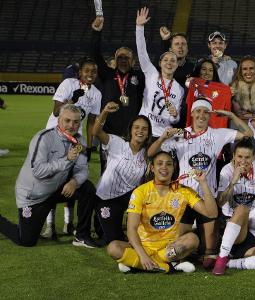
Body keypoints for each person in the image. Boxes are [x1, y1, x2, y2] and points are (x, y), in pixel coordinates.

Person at [147, 99, 253, 262]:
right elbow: (150, 153)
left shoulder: (218, 134)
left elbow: (249, 134)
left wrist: (231, 115)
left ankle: (200, 249)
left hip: (207, 197)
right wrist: (163, 137)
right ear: (192, 113)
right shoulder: (180, 134)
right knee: (177, 246)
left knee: (209, 256)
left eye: (205, 112)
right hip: (183, 197)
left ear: (210, 115)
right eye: (198, 111)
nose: (201, 115)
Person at [0, 105, 97, 247]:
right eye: (67, 120)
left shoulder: (79, 141)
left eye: (76, 122)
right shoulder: (43, 138)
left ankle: (82, 236)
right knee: (26, 240)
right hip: (33, 196)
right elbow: (38, 171)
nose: (72, 125)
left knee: (87, 188)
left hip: (56, 190)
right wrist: (66, 160)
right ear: (59, 120)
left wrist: (74, 182)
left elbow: (82, 169)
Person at [106, 151, 218, 273]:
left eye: (168, 164)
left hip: (169, 249)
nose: (164, 167)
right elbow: (131, 229)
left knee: (192, 239)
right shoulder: (141, 192)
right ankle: (168, 267)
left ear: (173, 168)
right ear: (152, 168)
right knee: (113, 248)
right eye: (160, 164)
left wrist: (203, 182)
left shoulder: (184, 191)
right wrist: (143, 255)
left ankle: (135, 264)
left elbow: (212, 213)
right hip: (143, 246)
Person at [42, 57, 101, 237]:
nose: (90, 74)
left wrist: (89, 147)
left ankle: (68, 223)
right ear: (80, 72)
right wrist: (72, 99)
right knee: (52, 181)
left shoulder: (97, 94)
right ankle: (49, 225)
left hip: (76, 139)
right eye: (86, 70)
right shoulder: (68, 83)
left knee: (73, 179)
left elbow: (91, 123)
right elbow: (56, 111)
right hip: (54, 138)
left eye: (93, 71)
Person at [91, 103, 151, 244]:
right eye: (136, 127)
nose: (140, 131)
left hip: (129, 198)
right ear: (130, 130)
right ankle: (100, 221)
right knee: (113, 240)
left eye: (144, 129)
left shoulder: (148, 153)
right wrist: (105, 112)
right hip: (106, 197)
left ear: (148, 133)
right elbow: (96, 132)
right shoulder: (117, 143)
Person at [214, 139, 255, 272]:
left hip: (251, 227)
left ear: (254, 157)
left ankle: (228, 262)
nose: (243, 161)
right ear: (233, 156)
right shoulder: (226, 171)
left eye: (247, 157)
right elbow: (220, 202)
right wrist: (233, 181)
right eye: (240, 157)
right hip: (230, 226)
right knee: (242, 208)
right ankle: (222, 258)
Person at [135, 7, 183, 138]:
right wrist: (139, 27)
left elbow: (175, 121)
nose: (169, 62)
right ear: (160, 63)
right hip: (144, 131)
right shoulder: (152, 74)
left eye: (173, 60)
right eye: (166, 60)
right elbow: (142, 53)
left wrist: (175, 115)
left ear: (177, 65)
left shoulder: (179, 89)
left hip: (164, 137)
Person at [159, 27, 195, 128]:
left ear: (187, 48)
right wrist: (165, 41)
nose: (180, 47)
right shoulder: (162, 66)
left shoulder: (193, 68)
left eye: (183, 44)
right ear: (170, 49)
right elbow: (160, 58)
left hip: (182, 118)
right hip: (160, 115)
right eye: (177, 44)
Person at [185, 58, 232, 129]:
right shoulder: (192, 85)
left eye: (211, 70)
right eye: (204, 69)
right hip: (195, 130)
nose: (207, 72)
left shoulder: (223, 90)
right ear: (199, 70)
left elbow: (226, 114)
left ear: (214, 73)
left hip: (214, 133)